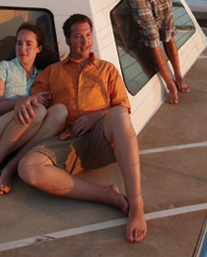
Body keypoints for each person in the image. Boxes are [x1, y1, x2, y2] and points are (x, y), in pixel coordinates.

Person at [17, 14, 147, 242]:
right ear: (67, 40)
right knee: (27, 168)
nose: (85, 42)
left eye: (88, 35)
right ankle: (106, 196)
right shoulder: (52, 72)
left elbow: (123, 108)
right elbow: (38, 102)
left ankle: (137, 205)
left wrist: (95, 117)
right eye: (78, 37)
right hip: (65, 141)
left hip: (100, 140)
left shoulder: (107, 70)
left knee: (118, 114)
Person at [0, 23, 67, 196]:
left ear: (38, 49)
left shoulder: (43, 74)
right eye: (19, 43)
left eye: (29, 44)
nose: (23, 48)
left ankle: (10, 167)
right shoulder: (4, 68)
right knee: (36, 111)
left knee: (60, 112)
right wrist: (22, 101)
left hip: (18, 146)